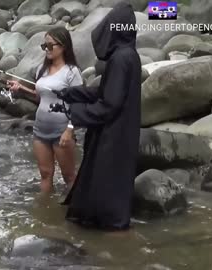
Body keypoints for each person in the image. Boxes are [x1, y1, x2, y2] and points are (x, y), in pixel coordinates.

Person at [56, 2, 142, 231]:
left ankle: (112, 233)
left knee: (106, 183)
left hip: (114, 135)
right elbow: (106, 91)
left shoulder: (121, 59)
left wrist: (75, 115)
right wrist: (72, 93)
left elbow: (110, 103)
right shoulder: (128, 55)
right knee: (105, 180)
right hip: (120, 131)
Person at [6, 27, 83, 194]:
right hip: (40, 130)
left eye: (50, 46)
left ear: (63, 46)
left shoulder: (72, 72)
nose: (46, 50)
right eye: (44, 46)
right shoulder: (43, 69)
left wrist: (69, 131)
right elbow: (42, 97)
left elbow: (79, 104)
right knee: (45, 174)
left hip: (62, 132)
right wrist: (21, 89)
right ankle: (45, 213)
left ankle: (76, 212)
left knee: (69, 176)